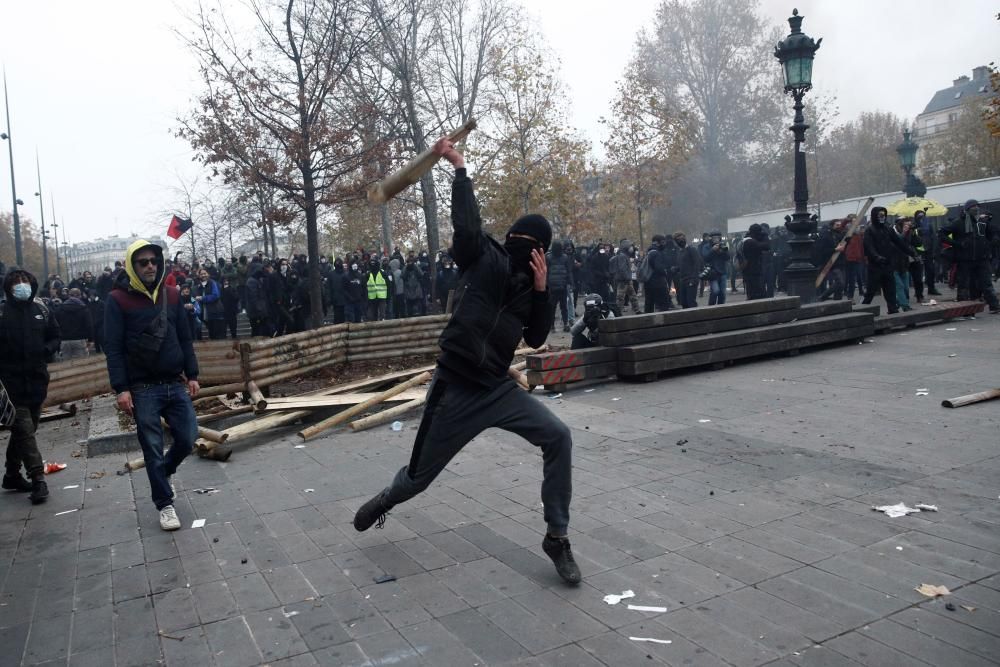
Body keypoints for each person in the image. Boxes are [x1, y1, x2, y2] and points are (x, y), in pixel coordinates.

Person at [353, 137, 581, 585]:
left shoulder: (532, 287)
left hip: (497, 388)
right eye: (523, 243)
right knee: (418, 479)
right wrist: (459, 170)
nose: (523, 249)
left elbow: (536, 338)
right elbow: (467, 227)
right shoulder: (486, 258)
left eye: (534, 248)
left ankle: (557, 536)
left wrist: (541, 291)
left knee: (558, 436)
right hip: (455, 387)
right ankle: (386, 500)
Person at [104, 240, 200, 531]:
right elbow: (114, 347)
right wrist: (121, 388)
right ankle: (165, 504)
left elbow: (184, 337)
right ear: (132, 265)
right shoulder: (117, 300)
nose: (149, 266)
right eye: (143, 261)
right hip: (143, 388)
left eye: (153, 261)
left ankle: (164, 472)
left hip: (174, 382)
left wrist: (192, 373)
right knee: (152, 449)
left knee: (188, 438)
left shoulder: (171, 295)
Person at [1, 268, 61, 504]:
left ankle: (11, 474)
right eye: (16, 281)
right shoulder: (3, 311)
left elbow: (55, 335)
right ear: (8, 287)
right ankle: (37, 479)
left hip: (36, 380)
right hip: (10, 384)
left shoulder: (42, 309)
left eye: (25, 280)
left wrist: (47, 350)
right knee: (25, 430)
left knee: (26, 429)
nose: (21, 284)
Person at [939, 200, 999, 313]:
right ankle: (965, 310)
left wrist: (992, 240)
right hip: (965, 260)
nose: (976, 208)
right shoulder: (958, 222)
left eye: (977, 206)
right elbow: (942, 234)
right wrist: (957, 244)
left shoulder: (982, 222)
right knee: (964, 285)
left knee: (986, 283)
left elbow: (993, 232)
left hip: (982, 258)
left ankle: (994, 306)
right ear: (967, 209)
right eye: (973, 207)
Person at [862, 207, 914, 314]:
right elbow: (869, 246)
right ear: (875, 216)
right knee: (871, 291)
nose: (882, 218)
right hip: (875, 266)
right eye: (880, 215)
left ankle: (893, 309)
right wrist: (876, 257)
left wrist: (911, 252)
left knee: (890, 289)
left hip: (888, 264)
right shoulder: (870, 230)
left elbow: (899, 242)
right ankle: (861, 311)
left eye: (883, 215)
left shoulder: (888, 229)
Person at [546, 239, 573, 330]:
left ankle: (551, 325)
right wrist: (571, 283)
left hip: (552, 287)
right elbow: (569, 272)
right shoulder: (565, 257)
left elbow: (546, 272)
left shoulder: (548, 257)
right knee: (564, 307)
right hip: (562, 286)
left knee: (552, 307)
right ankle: (565, 324)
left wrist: (546, 284)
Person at [741, 224, 771, 300]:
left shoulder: (745, 240)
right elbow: (767, 246)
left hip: (748, 271)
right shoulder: (750, 242)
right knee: (758, 294)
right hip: (753, 272)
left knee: (752, 294)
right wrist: (765, 235)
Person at [194, 268, 226, 339]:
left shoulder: (213, 283)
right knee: (211, 334)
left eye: (204, 273)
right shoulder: (198, 286)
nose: (203, 275)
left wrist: (203, 298)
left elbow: (216, 296)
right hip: (205, 314)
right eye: (201, 274)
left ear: (208, 274)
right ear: (199, 276)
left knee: (217, 334)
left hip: (215, 312)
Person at [700, 231, 730, 306]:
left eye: (718, 237)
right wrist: (712, 250)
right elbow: (705, 258)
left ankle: (721, 308)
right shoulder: (706, 246)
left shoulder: (722, 245)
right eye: (714, 238)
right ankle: (711, 307)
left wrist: (723, 251)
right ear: (711, 238)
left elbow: (728, 258)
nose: (717, 239)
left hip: (722, 272)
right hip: (712, 272)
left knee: (722, 293)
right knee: (715, 291)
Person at [674, 232, 703, 308]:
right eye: (678, 239)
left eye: (682, 238)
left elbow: (697, 264)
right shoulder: (679, 252)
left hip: (691, 280)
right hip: (683, 280)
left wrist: (693, 279)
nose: (681, 241)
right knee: (684, 302)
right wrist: (675, 269)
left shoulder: (691, 249)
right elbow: (682, 265)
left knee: (691, 302)